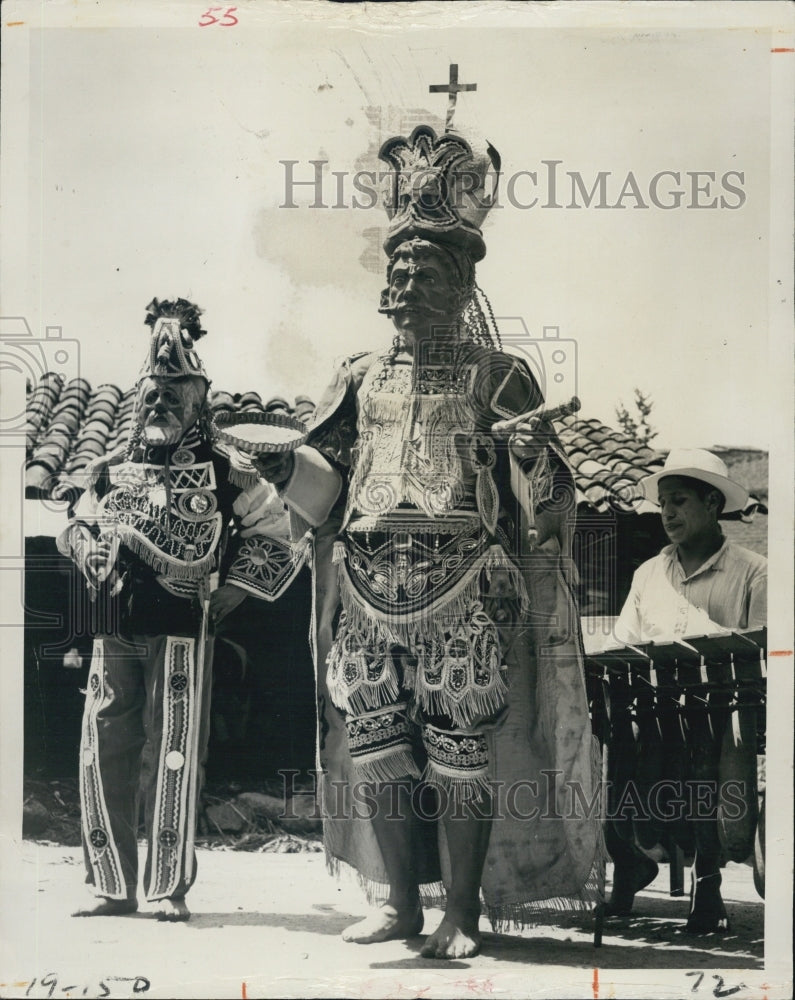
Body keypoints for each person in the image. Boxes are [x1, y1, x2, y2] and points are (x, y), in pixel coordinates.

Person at [257, 112, 603, 959]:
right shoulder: (357, 375)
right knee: (375, 747)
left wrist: (528, 453)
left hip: (462, 587)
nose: (407, 282)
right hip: (367, 587)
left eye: (427, 270)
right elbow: (327, 485)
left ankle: (464, 915)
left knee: (457, 752)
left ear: (461, 281)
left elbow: (551, 501)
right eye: (399, 270)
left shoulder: (499, 374)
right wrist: (283, 468)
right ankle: (402, 904)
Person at [57, 298, 302, 921]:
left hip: (184, 627)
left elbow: (278, 531)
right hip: (113, 626)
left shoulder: (227, 471)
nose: (159, 404)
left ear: (198, 400)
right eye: (152, 395)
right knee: (103, 745)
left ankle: (167, 886)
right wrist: (85, 544)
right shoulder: (110, 469)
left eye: (173, 394)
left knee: (174, 750)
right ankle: (110, 884)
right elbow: (79, 522)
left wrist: (237, 588)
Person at [609, 448, 767, 932]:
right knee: (608, 748)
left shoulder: (754, 572)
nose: (667, 513)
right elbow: (623, 644)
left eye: (679, 501)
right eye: (663, 503)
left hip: (726, 714)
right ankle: (630, 859)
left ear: (712, 503)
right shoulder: (648, 574)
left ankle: (708, 878)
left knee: (705, 751)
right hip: (657, 711)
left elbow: (765, 652)